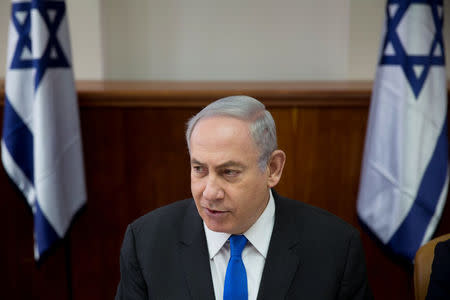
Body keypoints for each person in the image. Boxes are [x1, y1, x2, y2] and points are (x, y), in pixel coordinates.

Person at [115, 95, 373, 299]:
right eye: (199, 169)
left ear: (273, 168)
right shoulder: (147, 242)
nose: (210, 192)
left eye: (229, 172)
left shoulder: (336, 247)